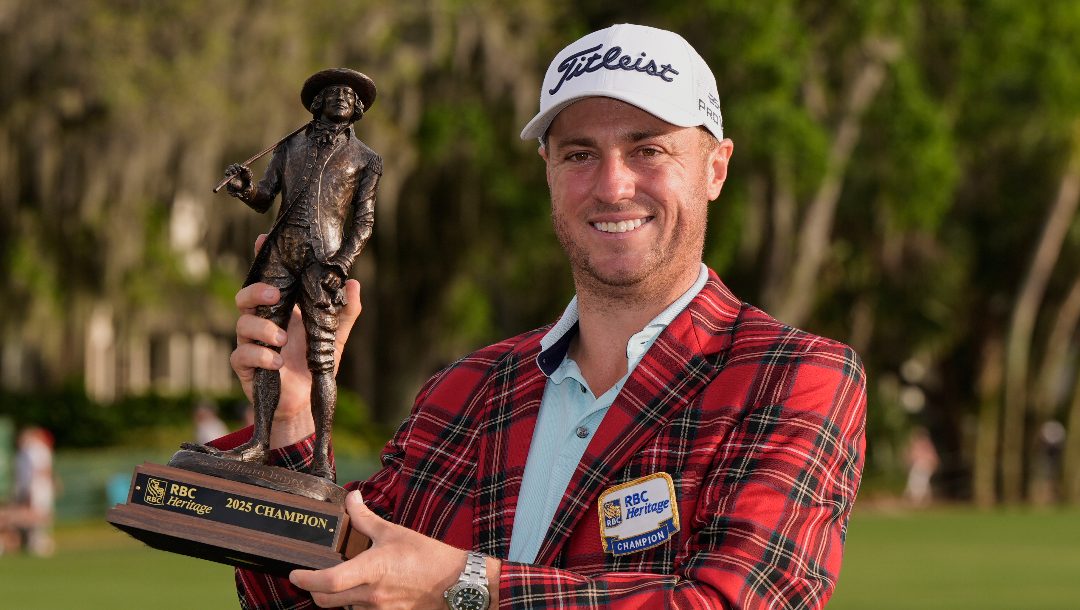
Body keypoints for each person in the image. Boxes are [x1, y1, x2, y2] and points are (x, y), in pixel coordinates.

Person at [215, 23, 867, 609]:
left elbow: (731, 599)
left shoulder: (793, 377)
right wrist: (293, 421)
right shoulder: (468, 390)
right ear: (548, 171)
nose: (613, 185)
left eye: (649, 150)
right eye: (580, 153)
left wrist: (458, 584)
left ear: (716, 168)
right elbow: (310, 593)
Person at [209, 68, 382, 479]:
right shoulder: (289, 145)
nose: (340, 96)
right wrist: (245, 188)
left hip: (323, 261)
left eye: (348, 94)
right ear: (316, 103)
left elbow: (365, 219)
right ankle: (259, 443)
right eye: (332, 91)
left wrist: (342, 261)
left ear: (357, 109)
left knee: (322, 361)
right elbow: (266, 197)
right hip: (279, 253)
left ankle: (321, 456)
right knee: (265, 352)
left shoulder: (366, 159)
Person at [13, 427, 55, 556]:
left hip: (39, 487)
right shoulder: (27, 451)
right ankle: (34, 542)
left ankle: (39, 542)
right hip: (33, 487)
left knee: (39, 514)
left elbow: (43, 469)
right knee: (34, 514)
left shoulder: (37, 449)